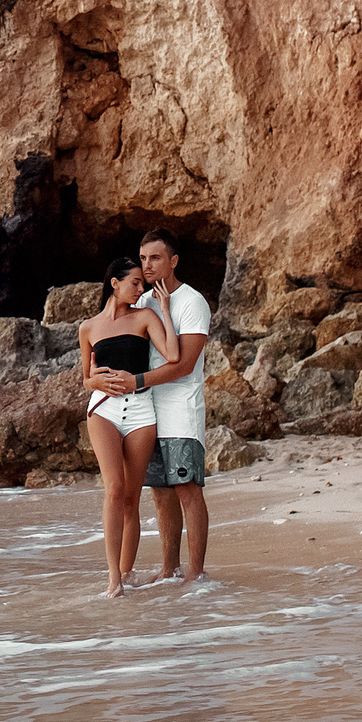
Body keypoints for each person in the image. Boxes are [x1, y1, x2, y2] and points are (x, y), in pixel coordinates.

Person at [78, 255, 180, 598]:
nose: (142, 288)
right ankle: (113, 580)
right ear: (115, 284)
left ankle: (126, 571)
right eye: (135, 282)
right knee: (114, 489)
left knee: (131, 499)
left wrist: (164, 310)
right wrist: (96, 382)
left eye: (143, 283)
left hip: (140, 413)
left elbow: (174, 356)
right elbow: (86, 380)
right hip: (103, 411)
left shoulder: (146, 316)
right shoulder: (88, 327)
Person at [137, 229, 213, 583]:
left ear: (173, 261)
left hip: (181, 410)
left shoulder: (192, 301)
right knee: (160, 494)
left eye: (154, 258)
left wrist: (138, 381)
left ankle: (195, 574)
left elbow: (184, 364)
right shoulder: (141, 302)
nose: (147, 265)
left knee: (187, 491)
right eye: (142, 258)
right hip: (148, 413)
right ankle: (170, 569)